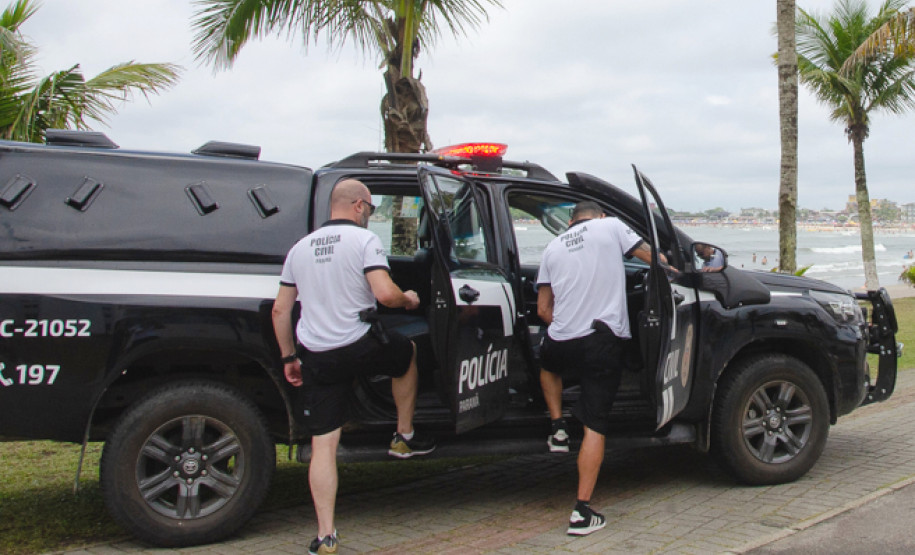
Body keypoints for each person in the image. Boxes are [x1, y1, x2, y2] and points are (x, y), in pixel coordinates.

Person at [272, 179, 435, 555]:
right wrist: (408, 299)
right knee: (406, 353)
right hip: (360, 345)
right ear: (360, 206)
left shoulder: (298, 249)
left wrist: (288, 358)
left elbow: (281, 310)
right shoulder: (364, 242)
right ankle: (403, 436)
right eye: (371, 210)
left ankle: (326, 535)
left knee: (324, 445)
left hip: (317, 354)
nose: (369, 215)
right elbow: (383, 293)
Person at [536, 200, 661, 536]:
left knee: (546, 361)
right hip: (599, 343)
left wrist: (566, 322)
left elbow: (543, 309)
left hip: (561, 342)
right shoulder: (611, 226)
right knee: (595, 423)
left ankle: (557, 426)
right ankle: (582, 511)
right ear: (599, 216)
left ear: (571, 220)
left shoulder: (551, 248)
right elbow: (655, 260)